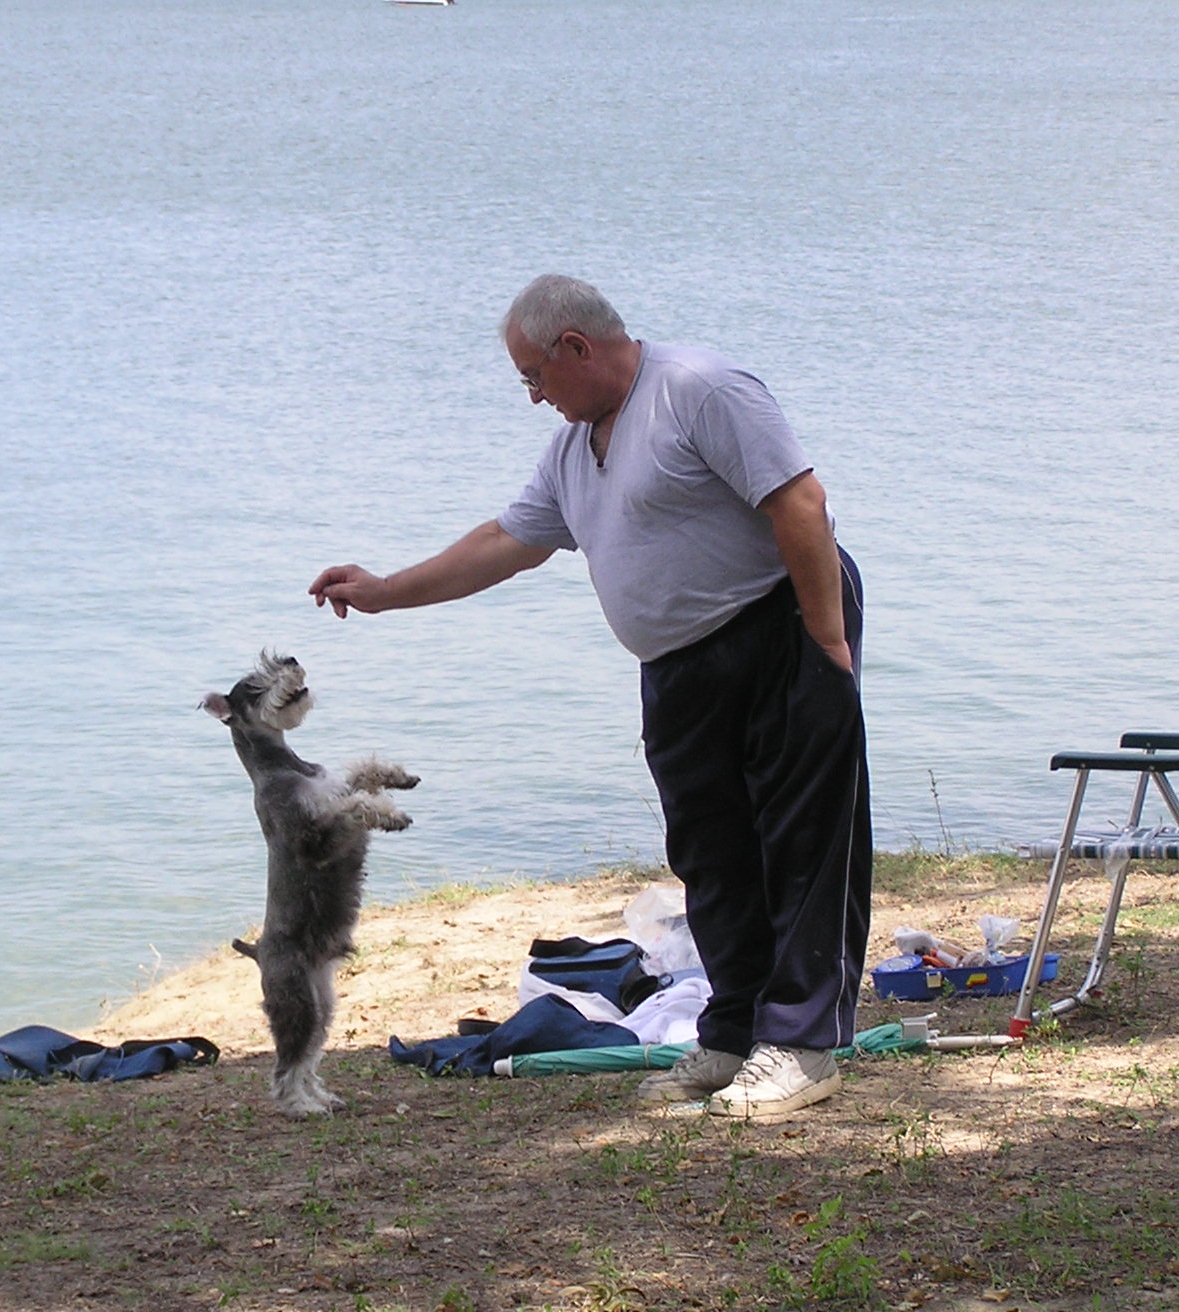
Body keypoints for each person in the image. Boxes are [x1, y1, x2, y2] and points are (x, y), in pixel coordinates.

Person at [308, 274, 870, 1122]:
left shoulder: (697, 390)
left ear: (575, 347)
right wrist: (385, 591)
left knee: (800, 842)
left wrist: (826, 639)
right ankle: (733, 1032)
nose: (533, 396)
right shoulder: (575, 450)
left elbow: (801, 502)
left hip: (779, 627)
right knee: (712, 853)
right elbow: (506, 542)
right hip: (680, 666)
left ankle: (803, 1045)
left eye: (533, 377)